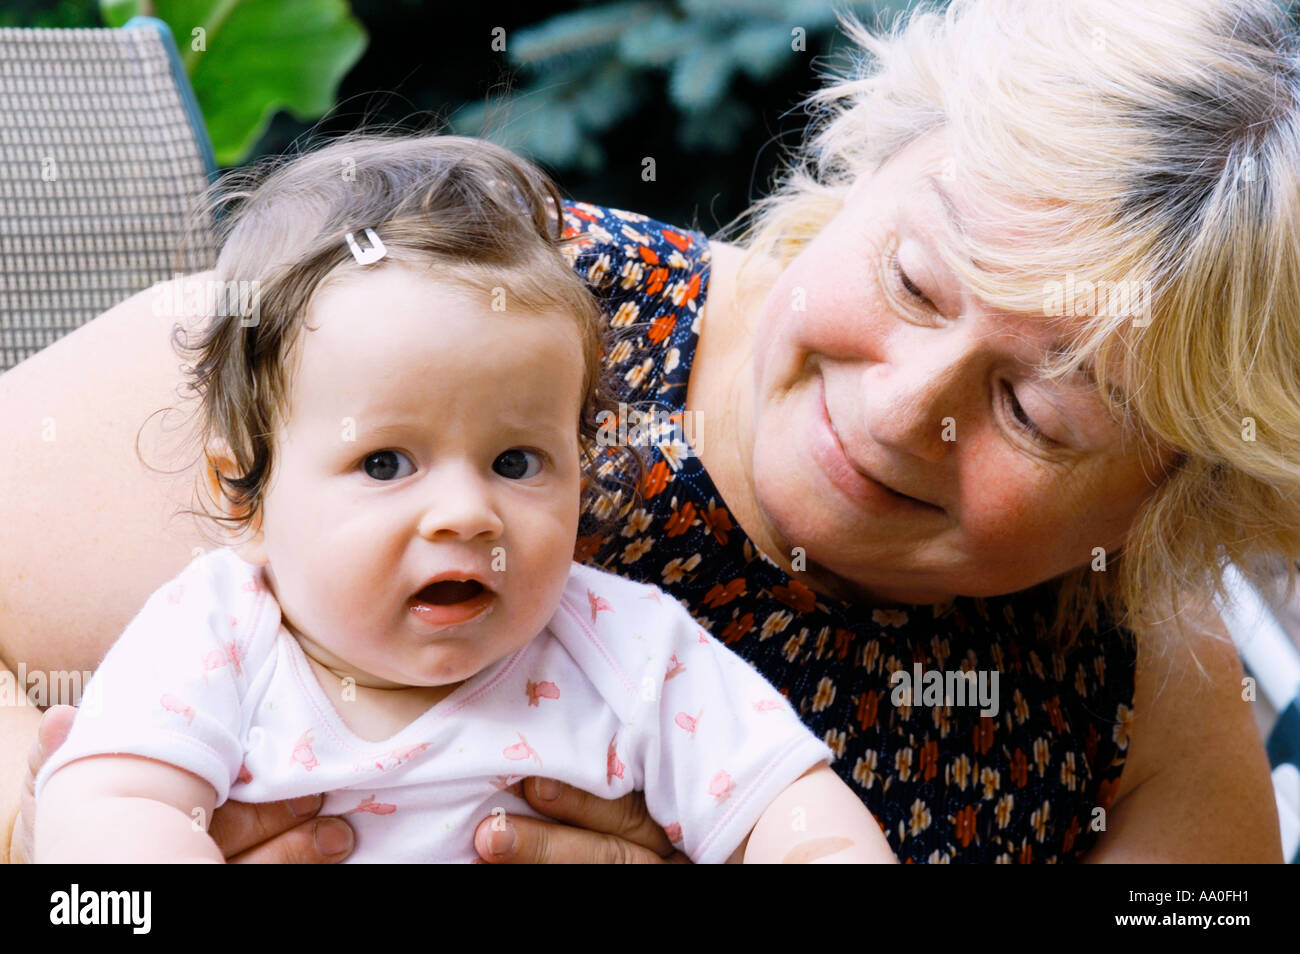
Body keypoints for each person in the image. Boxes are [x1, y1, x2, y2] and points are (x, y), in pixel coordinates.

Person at [2, 0, 1291, 863]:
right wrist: (65, 832)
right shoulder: (453, 323)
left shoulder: (1140, 663)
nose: (900, 409)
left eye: (1036, 413)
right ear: (869, 168)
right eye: (911, 280)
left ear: (1176, 493)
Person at [30, 134, 896, 864]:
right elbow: (106, 819)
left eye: (517, 462)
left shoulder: (629, 653)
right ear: (246, 492)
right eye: (384, 464)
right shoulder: (214, 640)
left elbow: (797, 818)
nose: (464, 515)